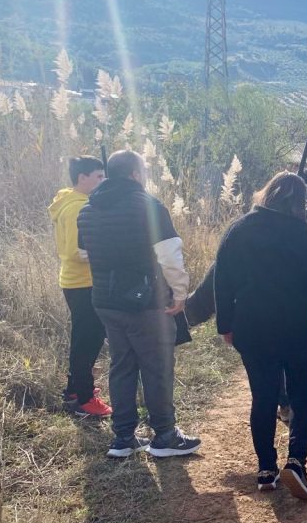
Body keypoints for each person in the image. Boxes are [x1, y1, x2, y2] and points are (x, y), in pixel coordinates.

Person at [214, 171, 307, 501]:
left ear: (267, 194)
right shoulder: (302, 236)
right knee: (302, 398)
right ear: (299, 202)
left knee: (263, 397)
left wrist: (226, 325)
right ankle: (296, 463)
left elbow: (222, 279)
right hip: (302, 331)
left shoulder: (239, 229)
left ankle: (265, 469)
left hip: (253, 329)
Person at [77, 150, 200, 458]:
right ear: (134, 174)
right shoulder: (148, 206)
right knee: (157, 367)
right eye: (143, 170)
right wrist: (180, 293)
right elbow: (171, 257)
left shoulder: (87, 211)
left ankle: (122, 438)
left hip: (105, 301)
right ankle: (165, 436)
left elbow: (84, 253)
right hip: (145, 302)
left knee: (122, 366)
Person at [48, 156, 112, 418]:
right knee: (89, 339)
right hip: (83, 282)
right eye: (98, 176)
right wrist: (108, 255)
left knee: (85, 337)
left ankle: (75, 391)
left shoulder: (70, 202)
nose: (103, 181)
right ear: (82, 178)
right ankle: (84, 400)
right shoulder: (78, 207)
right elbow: (75, 250)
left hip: (75, 281)